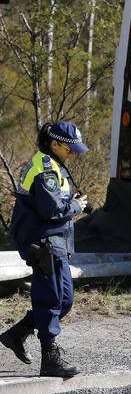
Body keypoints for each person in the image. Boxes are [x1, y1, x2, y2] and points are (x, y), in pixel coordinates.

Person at [0, 121, 89, 377]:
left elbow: (57, 205)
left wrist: (75, 204)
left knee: (64, 301)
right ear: (54, 144)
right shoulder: (45, 169)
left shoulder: (55, 166)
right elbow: (52, 210)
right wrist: (77, 208)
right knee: (50, 299)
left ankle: (16, 334)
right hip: (43, 243)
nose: (73, 154)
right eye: (70, 149)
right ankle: (49, 360)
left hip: (54, 242)